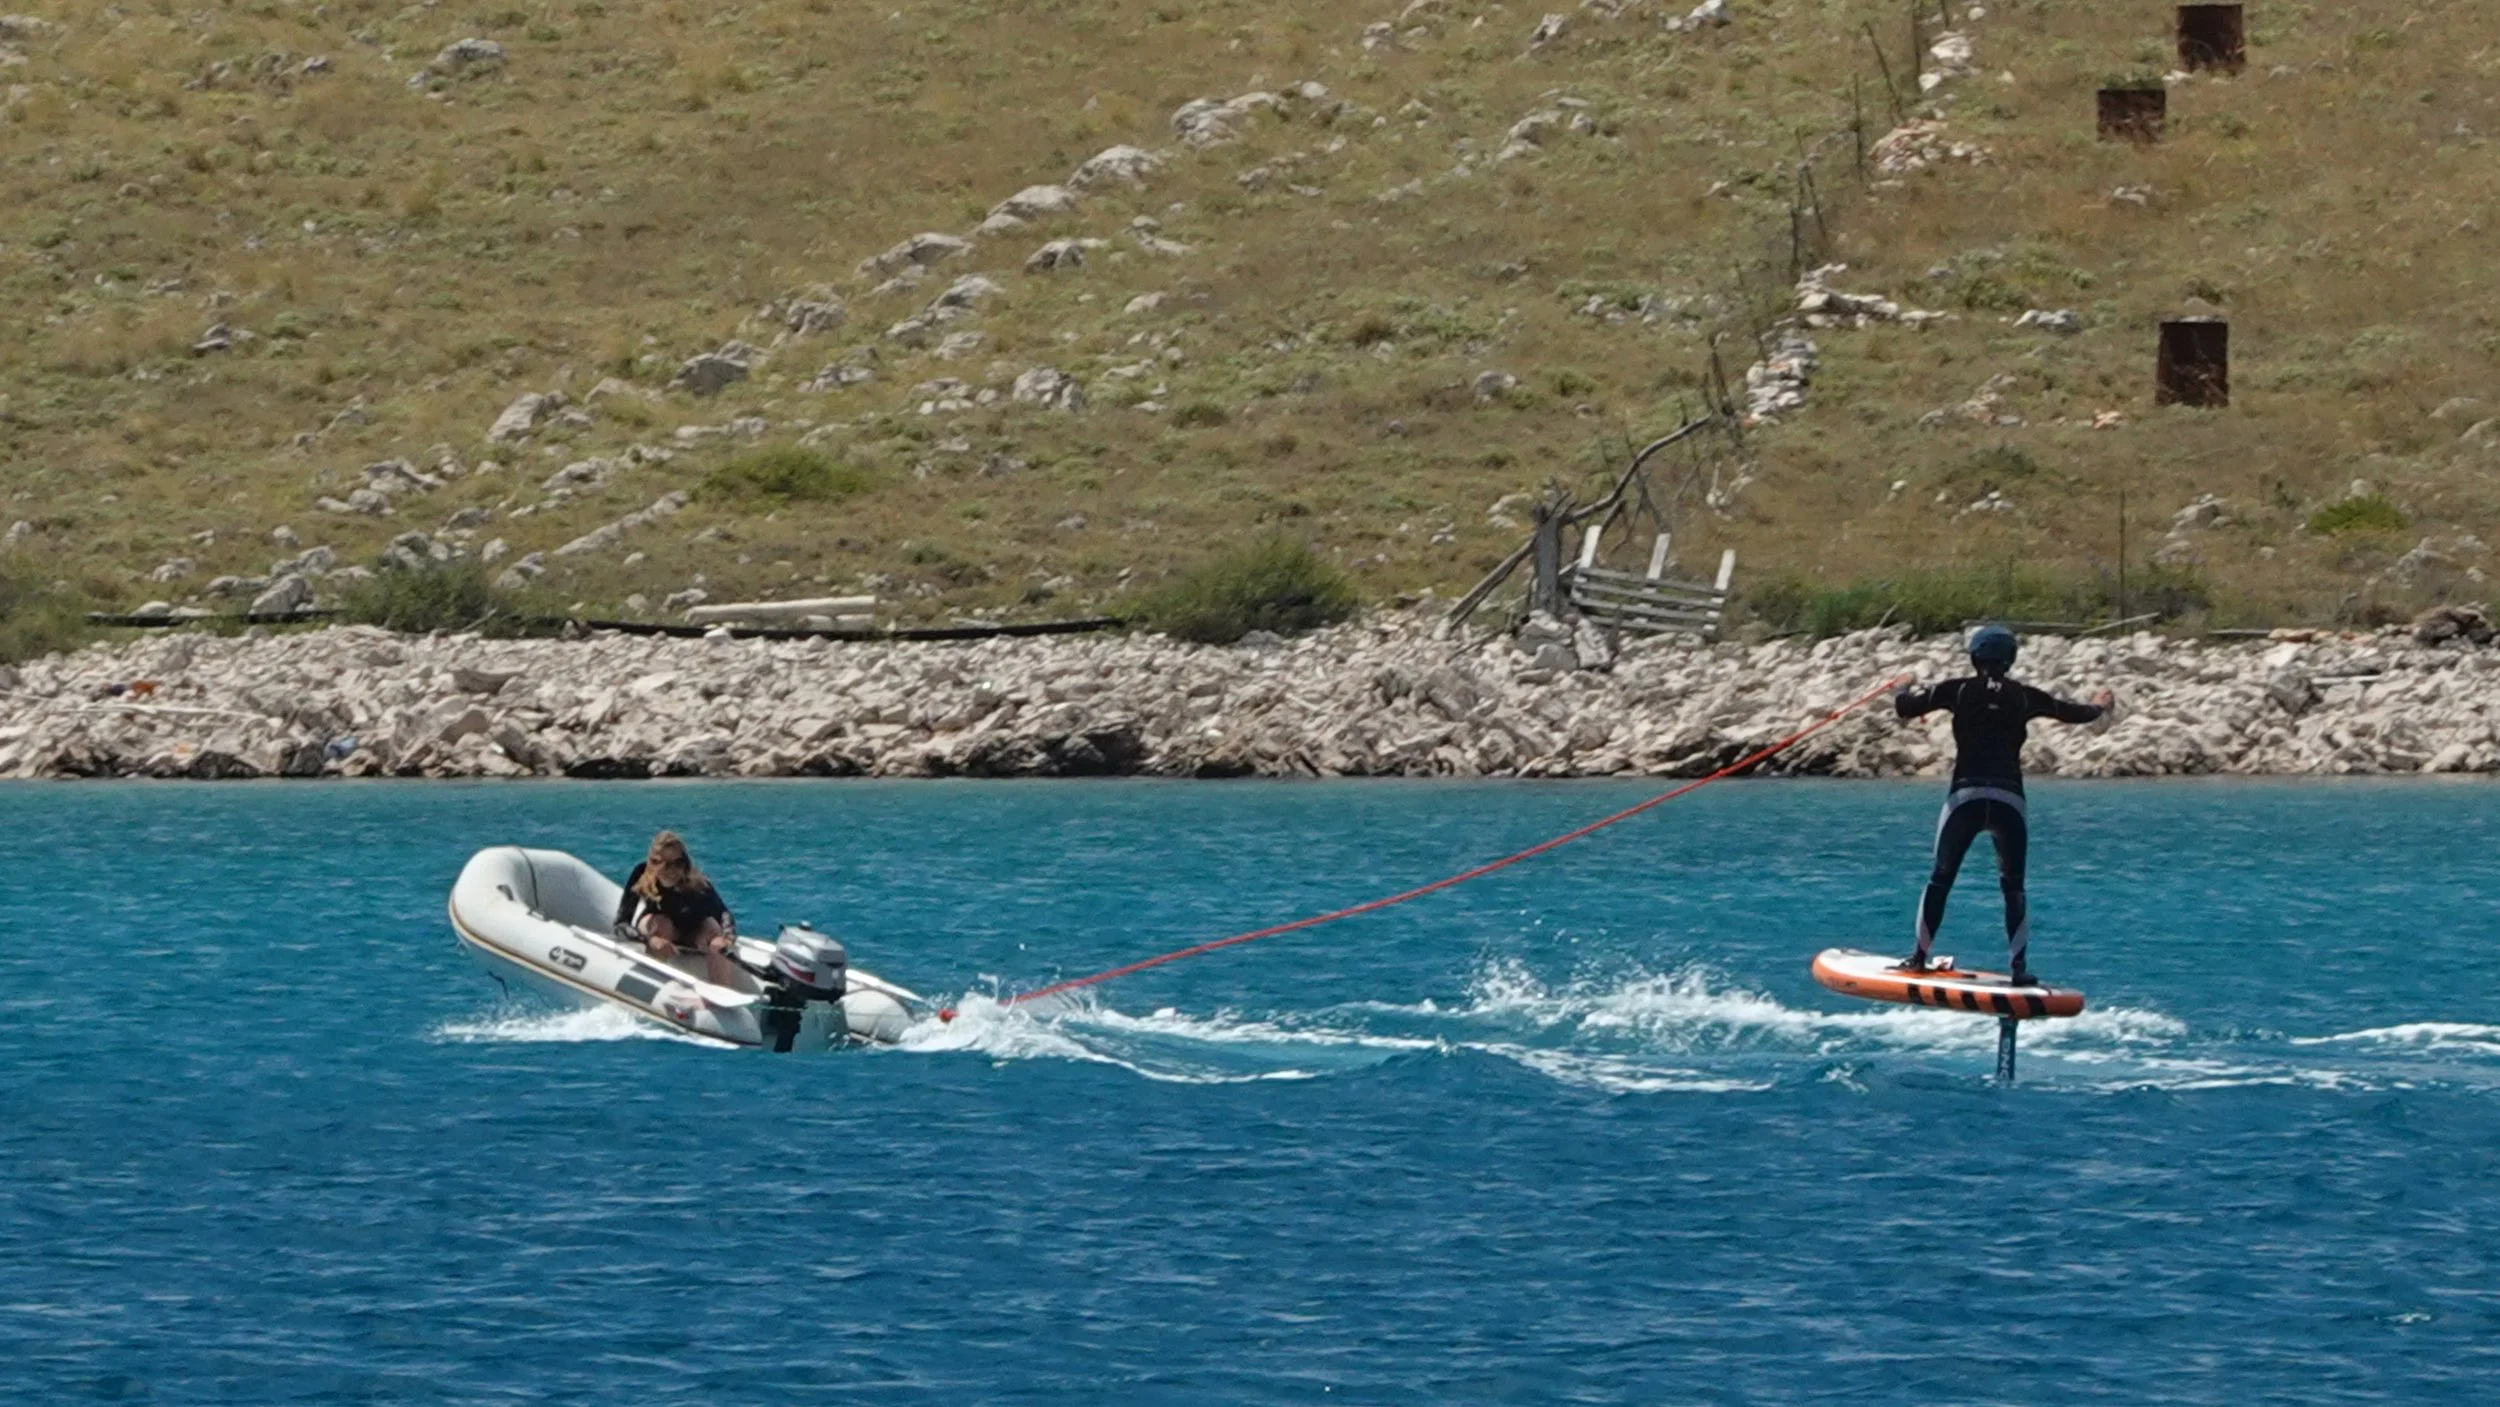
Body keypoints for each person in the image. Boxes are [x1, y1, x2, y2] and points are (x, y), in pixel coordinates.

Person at [1892, 625, 2114, 985]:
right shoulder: (2025, 697)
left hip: (1965, 796)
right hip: (2009, 799)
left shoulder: (1958, 689)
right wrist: (2101, 704)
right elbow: (2077, 713)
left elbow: (1904, 707)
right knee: (2013, 886)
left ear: (1974, 657)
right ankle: (2019, 970)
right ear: (2011, 660)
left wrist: (1902, 683)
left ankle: (1918, 959)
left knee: (1941, 879)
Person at [615, 830, 739, 987]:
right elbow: (621, 924)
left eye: (678, 863)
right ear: (653, 863)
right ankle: (651, 982)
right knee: (662, 923)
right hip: (661, 929)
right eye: (664, 863)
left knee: (711, 926)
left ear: (685, 863)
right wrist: (649, 940)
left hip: (691, 934)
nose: (672, 870)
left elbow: (724, 914)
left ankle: (721, 992)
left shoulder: (696, 883)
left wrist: (727, 939)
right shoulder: (641, 874)